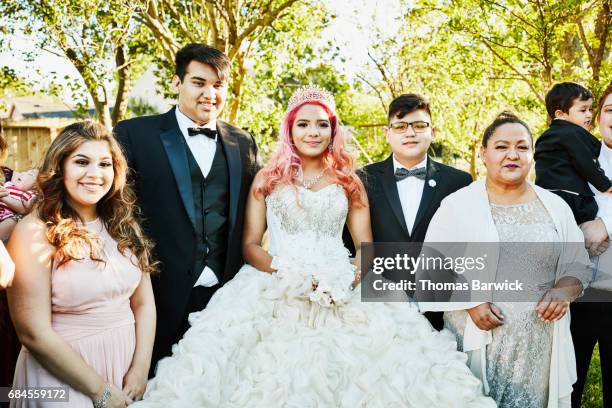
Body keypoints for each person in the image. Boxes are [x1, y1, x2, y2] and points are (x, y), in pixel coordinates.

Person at [130, 86, 495, 407]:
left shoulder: (349, 180)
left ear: (333, 130)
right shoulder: (267, 179)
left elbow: (365, 246)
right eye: (303, 124)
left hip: (343, 284)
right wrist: (286, 272)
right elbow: (251, 246)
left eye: (322, 124)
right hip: (273, 286)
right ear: (290, 128)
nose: (313, 131)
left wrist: (346, 280)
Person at [420, 112, 591, 407]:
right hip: (477, 338)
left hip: (539, 347)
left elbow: (578, 265)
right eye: (501, 146)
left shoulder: (555, 207)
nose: (512, 154)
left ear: (532, 154)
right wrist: (471, 301)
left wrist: (564, 291)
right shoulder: (457, 206)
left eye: (522, 147)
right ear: (483, 153)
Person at [114, 43, 259, 376]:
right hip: (155, 299)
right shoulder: (135, 134)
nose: (210, 93)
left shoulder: (244, 142)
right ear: (177, 83)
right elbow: (113, 207)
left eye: (218, 85)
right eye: (199, 82)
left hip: (224, 300)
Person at [7, 121, 157, 407]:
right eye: (81, 162)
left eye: (104, 164)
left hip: (124, 371)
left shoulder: (123, 225)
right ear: (60, 166)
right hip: (61, 377)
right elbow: (32, 332)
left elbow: (144, 303)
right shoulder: (33, 232)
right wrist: (99, 391)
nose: (95, 174)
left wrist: (139, 370)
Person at [357, 93, 472, 330]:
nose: (410, 133)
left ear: (433, 132)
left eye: (419, 125)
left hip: (441, 308)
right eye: (400, 126)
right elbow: (353, 245)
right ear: (387, 133)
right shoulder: (362, 179)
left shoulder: (459, 181)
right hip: (378, 310)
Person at [570, 81, 612, 408]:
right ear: (598, 117)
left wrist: (605, 224)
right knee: (569, 384)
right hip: (579, 292)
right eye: (610, 110)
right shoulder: (574, 158)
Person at [535, 82, 612, 226]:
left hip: (548, 197)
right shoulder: (570, 134)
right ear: (561, 114)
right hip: (569, 197)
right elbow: (585, 163)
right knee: (589, 210)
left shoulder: (548, 137)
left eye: (590, 109)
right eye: (583, 110)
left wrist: (605, 227)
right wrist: (606, 185)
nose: (589, 114)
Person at [0, 168, 38, 241]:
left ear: (36, 186)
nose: (23, 173)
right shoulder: (8, 184)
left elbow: (24, 209)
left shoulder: (28, 194)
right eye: (24, 171)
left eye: (30, 174)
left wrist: (3, 198)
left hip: (7, 216)